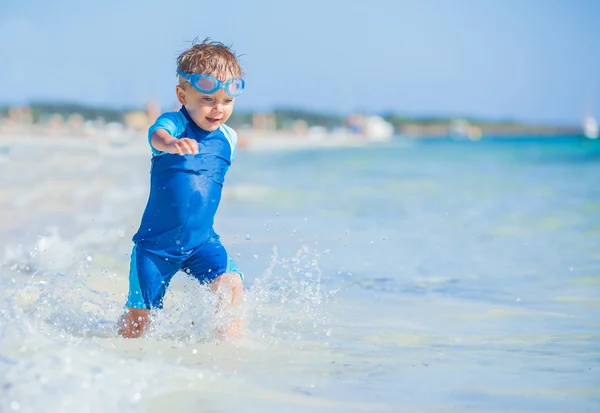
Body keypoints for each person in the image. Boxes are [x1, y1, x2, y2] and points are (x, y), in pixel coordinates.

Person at [118, 39, 245, 340]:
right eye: (208, 99)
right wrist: (172, 145)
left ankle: (228, 351)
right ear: (182, 94)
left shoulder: (229, 139)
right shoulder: (173, 124)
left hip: (202, 243)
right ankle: (119, 355)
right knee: (140, 320)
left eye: (227, 101)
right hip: (155, 247)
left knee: (232, 287)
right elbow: (155, 136)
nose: (218, 109)